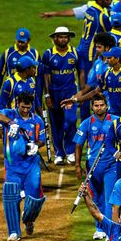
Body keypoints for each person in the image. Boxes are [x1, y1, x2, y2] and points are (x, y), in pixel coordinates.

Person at [0, 92, 46, 241]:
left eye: (28, 107)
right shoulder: (9, 114)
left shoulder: (37, 120)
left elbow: (41, 140)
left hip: (31, 166)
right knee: (11, 197)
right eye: (23, 107)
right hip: (12, 166)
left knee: (34, 199)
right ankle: (14, 232)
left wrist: (36, 146)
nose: (25, 110)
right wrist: (11, 123)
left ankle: (29, 220)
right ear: (17, 103)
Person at [74, 93, 118, 240]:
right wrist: (77, 166)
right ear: (92, 107)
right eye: (96, 105)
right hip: (92, 166)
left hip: (111, 166)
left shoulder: (116, 121)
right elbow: (79, 145)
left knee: (108, 198)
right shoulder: (86, 123)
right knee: (96, 197)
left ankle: (108, 228)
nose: (99, 108)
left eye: (102, 105)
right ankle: (99, 228)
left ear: (107, 106)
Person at [61, 47, 121, 117]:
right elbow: (95, 92)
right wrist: (74, 100)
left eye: (110, 58)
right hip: (112, 115)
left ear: (117, 59)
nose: (107, 60)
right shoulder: (107, 74)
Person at [42, 26, 82, 165]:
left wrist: (81, 93)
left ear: (69, 38)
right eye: (60, 36)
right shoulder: (48, 54)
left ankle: (70, 151)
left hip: (70, 93)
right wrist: (47, 95)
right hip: (54, 93)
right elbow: (45, 76)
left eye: (65, 36)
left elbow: (81, 72)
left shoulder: (75, 53)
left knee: (70, 121)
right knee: (56, 124)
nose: (63, 39)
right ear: (55, 39)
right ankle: (59, 152)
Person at [0, 28, 43, 107]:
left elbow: (39, 78)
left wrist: (38, 98)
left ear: (28, 41)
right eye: (19, 41)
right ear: (15, 40)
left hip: (28, 88)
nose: (20, 44)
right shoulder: (8, 53)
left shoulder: (34, 54)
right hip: (11, 90)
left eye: (23, 42)